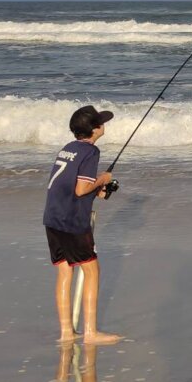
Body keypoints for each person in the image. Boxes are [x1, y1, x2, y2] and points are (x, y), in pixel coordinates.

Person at [43, 104, 121, 344]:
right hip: (72, 220)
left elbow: (70, 184)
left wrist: (97, 190)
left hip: (53, 216)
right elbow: (80, 188)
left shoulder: (68, 149)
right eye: (101, 122)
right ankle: (90, 333)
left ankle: (66, 333)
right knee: (91, 270)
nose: (104, 125)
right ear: (95, 130)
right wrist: (104, 179)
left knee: (65, 271)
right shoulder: (91, 153)